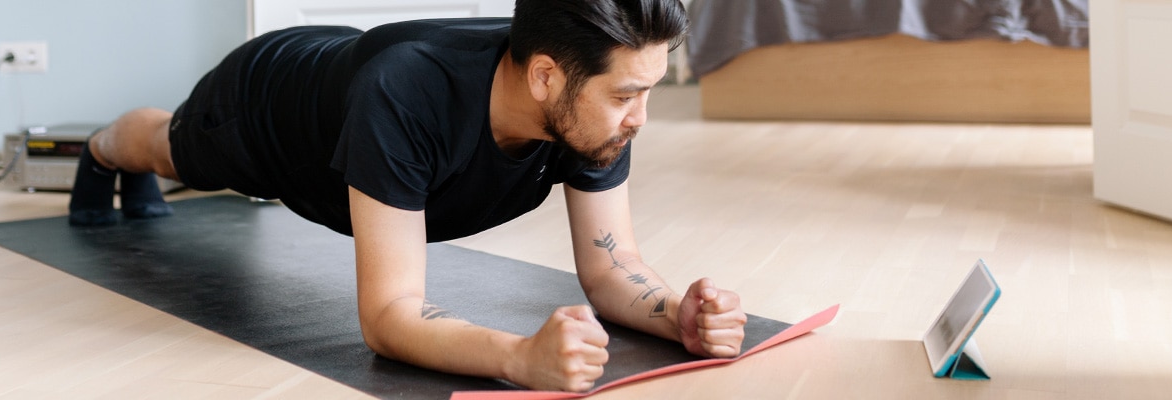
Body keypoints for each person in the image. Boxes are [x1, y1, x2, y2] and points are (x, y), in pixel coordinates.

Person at [68, 0, 747, 392]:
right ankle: (99, 150)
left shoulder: (588, 106)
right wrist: (519, 359)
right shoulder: (408, 93)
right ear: (546, 76)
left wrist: (672, 314)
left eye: (649, 91)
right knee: (166, 149)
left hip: (347, 74)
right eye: (628, 95)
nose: (642, 119)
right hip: (264, 104)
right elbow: (388, 316)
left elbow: (609, 264)